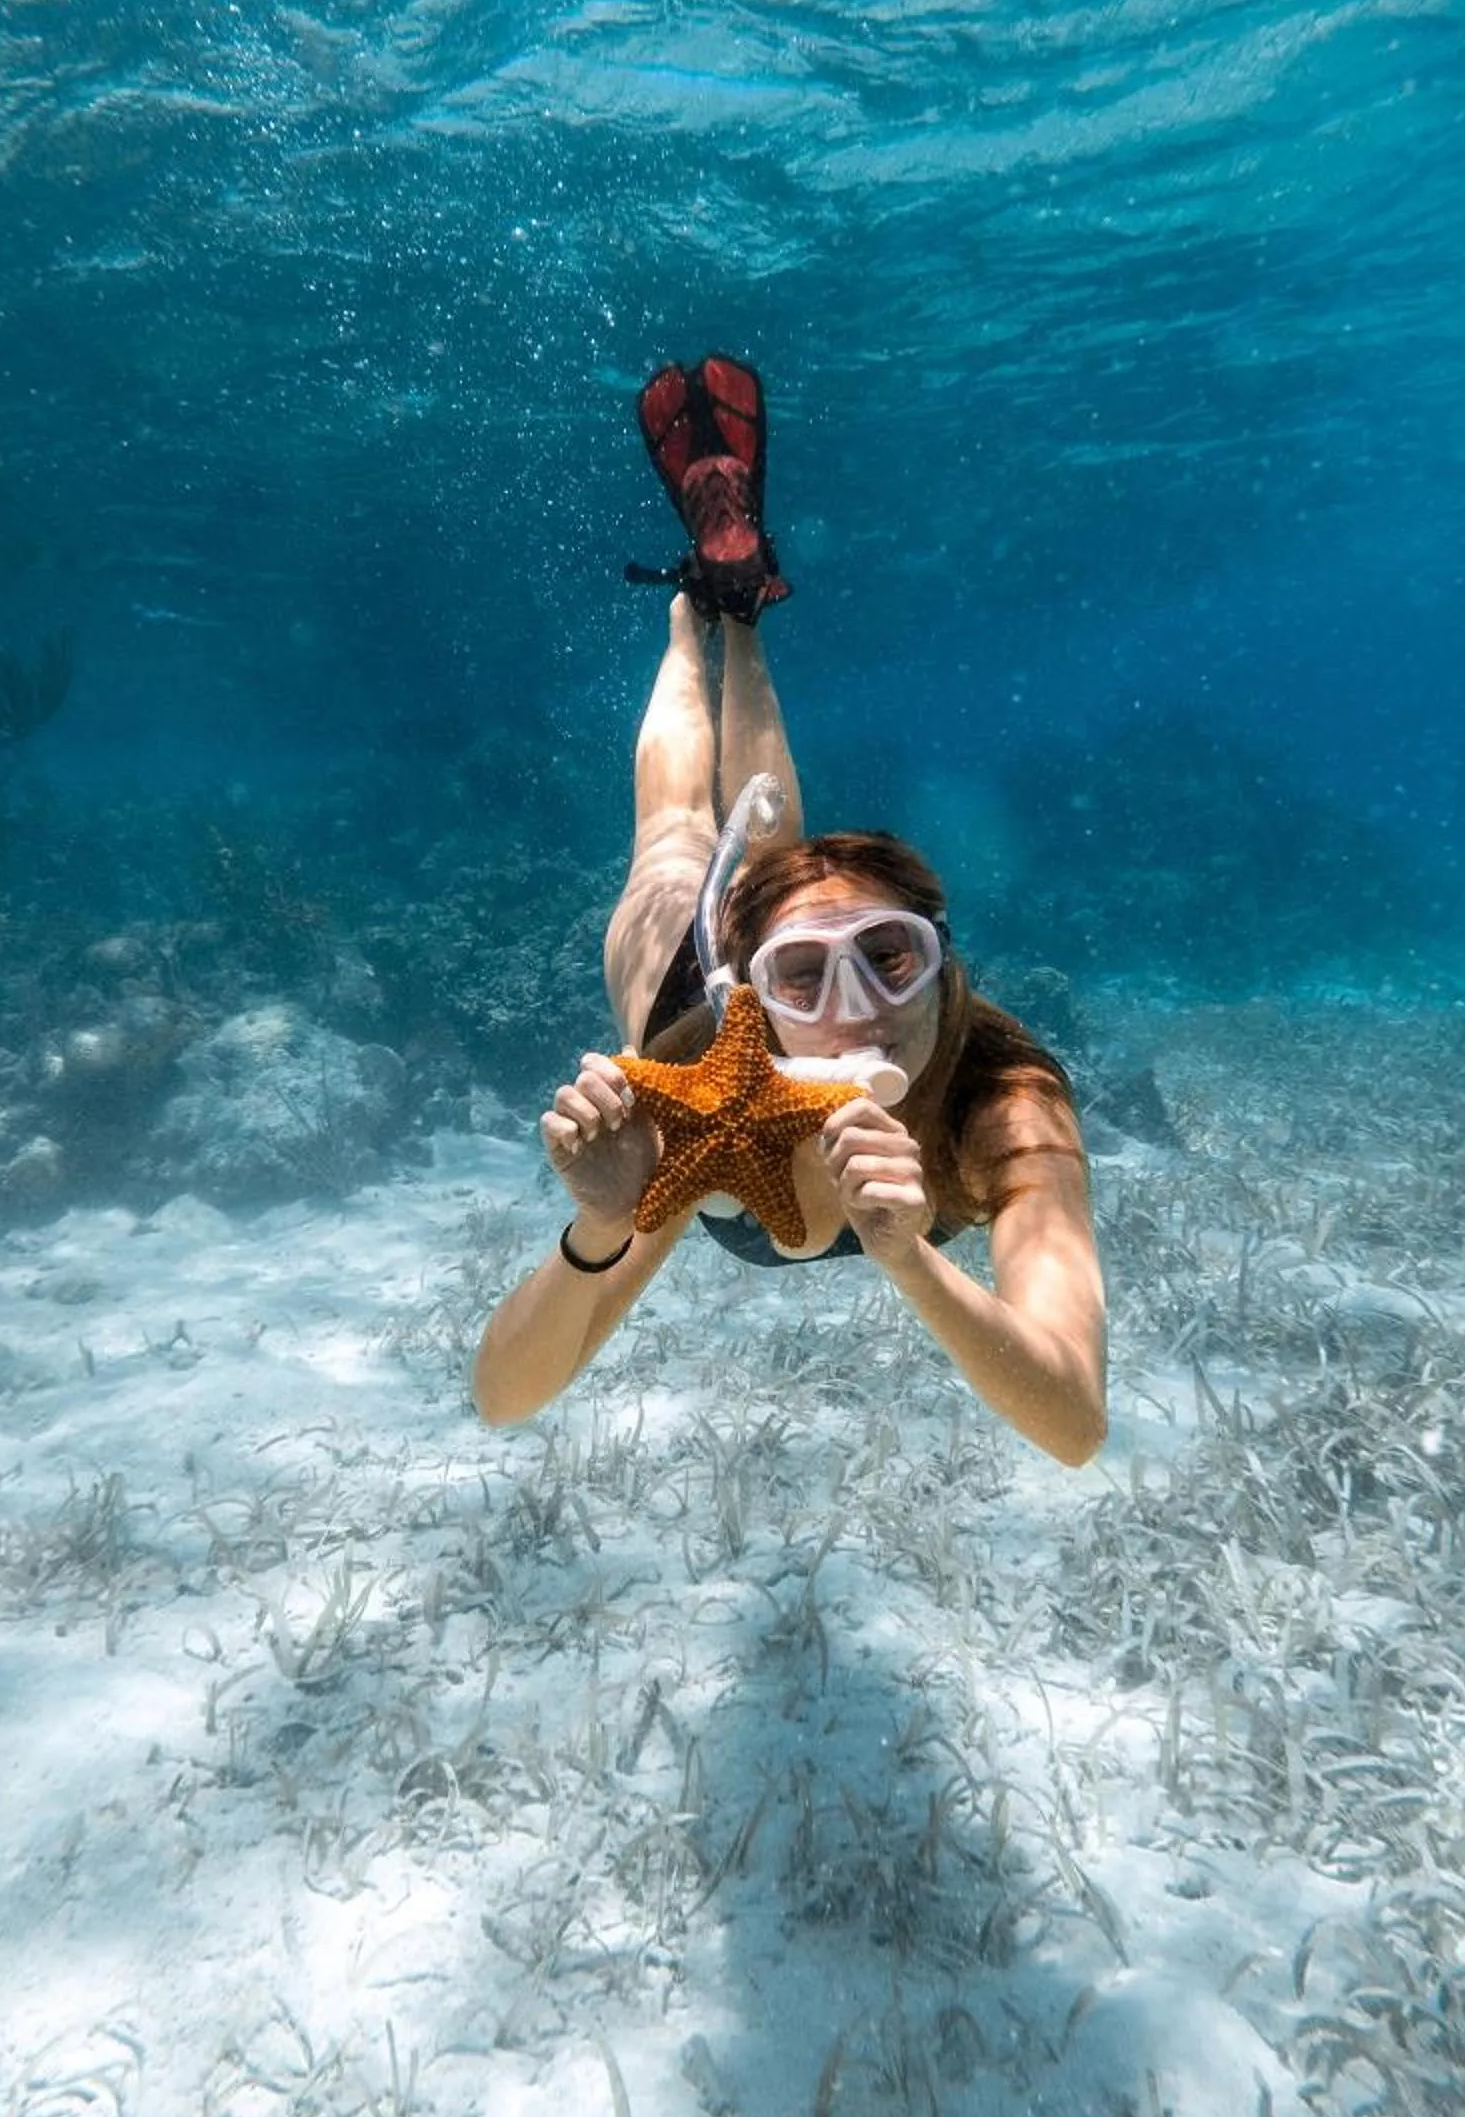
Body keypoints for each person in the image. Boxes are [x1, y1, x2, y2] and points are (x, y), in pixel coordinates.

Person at [471, 358, 1107, 1466]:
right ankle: (697, 615)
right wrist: (599, 1229)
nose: (855, 1010)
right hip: (689, 992)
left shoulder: (1002, 1093)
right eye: (803, 976)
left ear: (947, 965)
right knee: (677, 836)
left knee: (763, 852)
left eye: (891, 958)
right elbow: (504, 1398)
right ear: (749, 988)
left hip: (763, 1036)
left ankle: (737, 614)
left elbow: (1075, 1427)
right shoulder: (697, 1089)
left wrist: (913, 1258)